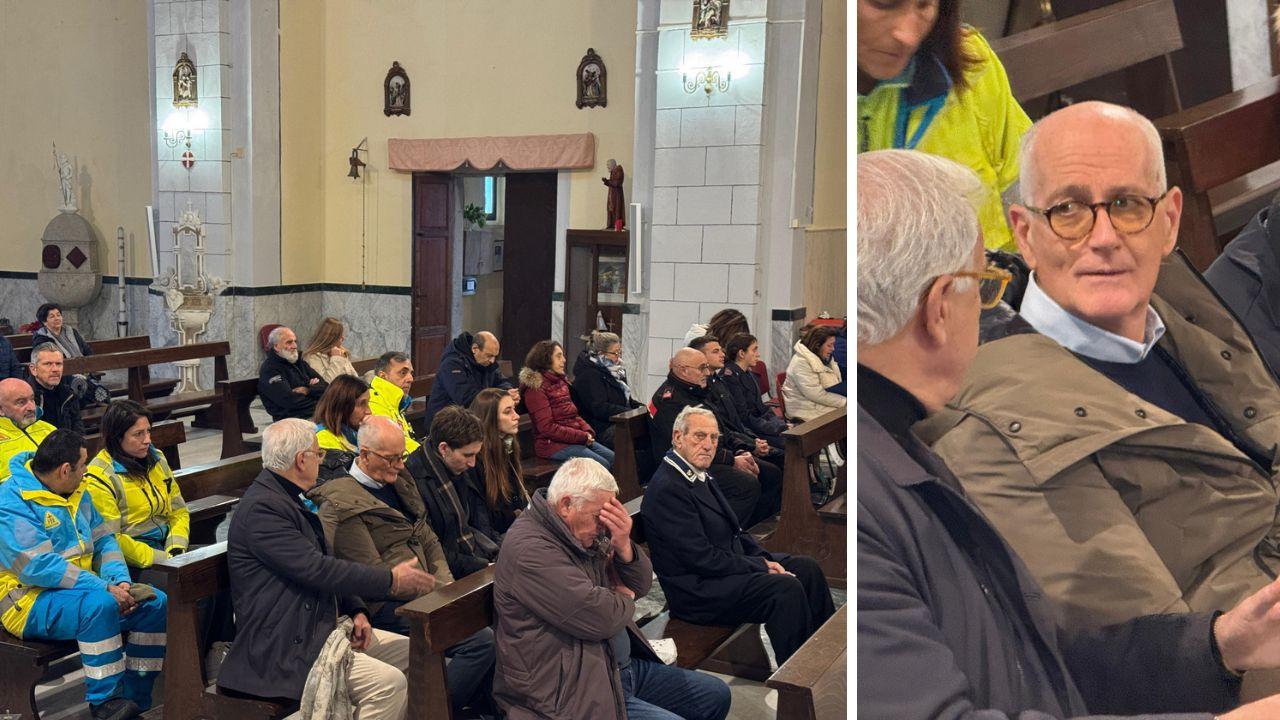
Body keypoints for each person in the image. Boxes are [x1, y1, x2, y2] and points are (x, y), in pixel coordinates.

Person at [856, 146, 1280, 720]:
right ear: (939, 308)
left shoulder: (899, 442)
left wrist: (1220, 645)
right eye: (983, 288)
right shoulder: (898, 476)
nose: (1105, 239)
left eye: (1130, 206)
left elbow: (1036, 659)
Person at [916, 100, 1280, 630]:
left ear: (1170, 221)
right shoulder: (996, 433)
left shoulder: (1186, 315)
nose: (1104, 237)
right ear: (1023, 233)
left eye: (1129, 204)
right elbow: (1160, 659)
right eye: (1068, 210)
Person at [217, 418, 435, 718]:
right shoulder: (262, 509)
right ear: (300, 460)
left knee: (416, 654)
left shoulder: (287, 497)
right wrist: (391, 580)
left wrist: (357, 609)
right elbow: (316, 569)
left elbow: (324, 564)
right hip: (283, 644)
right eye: (318, 454)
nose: (322, 460)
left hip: (319, 625)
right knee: (388, 685)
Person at [493, 458, 732, 720]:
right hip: (568, 690)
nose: (604, 527)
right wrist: (623, 597)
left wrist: (624, 547)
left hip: (613, 668)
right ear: (566, 505)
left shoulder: (578, 531)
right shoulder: (531, 551)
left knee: (715, 694)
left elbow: (640, 585)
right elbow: (600, 618)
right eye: (599, 516)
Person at [311, 416, 496, 716]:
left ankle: (476, 706)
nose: (400, 465)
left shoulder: (400, 481)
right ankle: (433, 712)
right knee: (480, 643)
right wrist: (435, 596)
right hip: (386, 606)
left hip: (428, 592)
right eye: (391, 458)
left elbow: (428, 537)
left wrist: (445, 587)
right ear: (365, 454)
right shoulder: (341, 504)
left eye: (402, 457)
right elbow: (374, 574)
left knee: (488, 613)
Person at [0, 429, 168, 720]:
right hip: (27, 601)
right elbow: (36, 567)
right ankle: (106, 704)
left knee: (154, 601)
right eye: (83, 464)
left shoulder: (77, 490)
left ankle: (136, 696)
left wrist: (119, 580)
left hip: (84, 591)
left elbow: (105, 540)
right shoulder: (11, 501)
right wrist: (102, 588)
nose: (87, 470)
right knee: (99, 607)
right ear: (65, 470)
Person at [645, 406, 833, 665]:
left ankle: (826, 661)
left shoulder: (696, 470)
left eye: (713, 438)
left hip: (723, 570)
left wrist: (762, 558)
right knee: (783, 590)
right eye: (700, 436)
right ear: (678, 437)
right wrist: (759, 566)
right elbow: (700, 558)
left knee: (806, 568)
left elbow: (737, 531)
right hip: (697, 591)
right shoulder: (670, 488)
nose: (709, 445)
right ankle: (799, 680)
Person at [858, 0, 1030, 252]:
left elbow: (1033, 193)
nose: (907, 35)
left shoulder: (972, 63)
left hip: (995, 285)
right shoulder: (793, 105)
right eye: (884, 3)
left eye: (924, 5)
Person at [650, 348, 781, 529]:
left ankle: (753, 529)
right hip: (687, 464)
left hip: (712, 454)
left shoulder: (696, 390)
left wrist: (742, 449)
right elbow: (688, 449)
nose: (707, 373)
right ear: (683, 370)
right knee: (746, 485)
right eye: (702, 368)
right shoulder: (671, 400)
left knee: (771, 472)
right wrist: (732, 460)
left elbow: (722, 430)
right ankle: (724, 534)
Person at [84, 401, 189, 569]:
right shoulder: (99, 477)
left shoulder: (157, 459)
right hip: (132, 560)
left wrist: (176, 546)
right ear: (117, 437)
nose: (147, 440)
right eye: (138, 434)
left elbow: (178, 510)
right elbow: (111, 537)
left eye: (148, 431)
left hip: (168, 544)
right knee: (190, 580)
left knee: (220, 567)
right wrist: (162, 558)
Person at [405, 406, 499, 578]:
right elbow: (433, 549)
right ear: (443, 448)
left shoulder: (460, 466)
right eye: (467, 455)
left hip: (478, 554)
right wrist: (483, 566)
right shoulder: (414, 481)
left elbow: (480, 520)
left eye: (475, 455)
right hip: (449, 571)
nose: (472, 463)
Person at [520, 340, 614, 469]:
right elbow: (547, 427)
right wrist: (581, 436)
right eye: (558, 356)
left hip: (571, 439)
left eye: (563, 355)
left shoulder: (560, 382)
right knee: (601, 465)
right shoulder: (535, 389)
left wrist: (587, 431)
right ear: (545, 360)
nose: (564, 360)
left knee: (613, 458)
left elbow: (573, 414)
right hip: (551, 445)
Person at [690, 335, 784, 460]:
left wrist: (780, 426)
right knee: (784, 454)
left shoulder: (722, 380)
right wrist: (751, 443)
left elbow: (756, 410)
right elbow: (735, 421)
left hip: (744, 435)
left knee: (790, 446)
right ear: (741, 353)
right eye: (716, 351)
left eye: (721, 350)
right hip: (735, 441)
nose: (722, 354)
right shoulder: (724, 379)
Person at [469, 388, 530, 539]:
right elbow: (485, 518)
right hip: (496, 536)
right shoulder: (476, 460)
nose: (516, 416)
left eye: (514, 410)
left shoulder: (507, 445)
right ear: (490, 418)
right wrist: (517, 517)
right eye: (507, 412)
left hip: (514, 526)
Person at [425, 330, 517, 429]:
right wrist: (501, 397)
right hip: (447, 423)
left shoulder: (486, 361)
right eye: (489, 355)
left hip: (473, 418)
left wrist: (508, 391)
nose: (492, 361)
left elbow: (501, 381)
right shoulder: (452, 364)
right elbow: (466, 398)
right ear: (475, 349)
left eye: (495, 356)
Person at [571, 331, 643, 448]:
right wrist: (629, 412)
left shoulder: (616, 371)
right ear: (601, 354)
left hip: (617, 421)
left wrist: (639, 407)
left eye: (619, 352)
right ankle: (625, 466)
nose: (618, 357)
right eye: (615, 353)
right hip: (598, 427)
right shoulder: (589, 374)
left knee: (647, 426)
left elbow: (625, 399)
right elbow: (599, 408)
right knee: (632, 436)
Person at [720, 333, 789, 445]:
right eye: (754, 350)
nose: (758, 355)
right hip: (748, 431)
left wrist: (780, 425)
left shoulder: (748, 373)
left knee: (796, 440)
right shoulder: (730, 377)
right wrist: (778, 428)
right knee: (791, 443)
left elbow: (761, 408)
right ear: (742, 353)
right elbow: (744, 417)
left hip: (759, 425)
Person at [258, 326, 329, 422]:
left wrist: (308, 390)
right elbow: (290, 401)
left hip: (315, 413)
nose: (295, 346)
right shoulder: (270, 369)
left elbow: (325, 387)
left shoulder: (298, 362)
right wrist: (320, 402)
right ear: (276, 346)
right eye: (289, 342)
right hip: (292, 420)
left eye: (295, 341)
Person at [313, 374, 372, 482]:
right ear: (341, 406)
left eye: (368, 403)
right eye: (361, 404)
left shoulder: (356, 433)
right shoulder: (322, 440)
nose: (369, 411)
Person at [781, 324, 847, 420]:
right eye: (829, 345)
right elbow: (816, 394)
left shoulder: (825, 357)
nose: (833, 349)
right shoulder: (800, 363)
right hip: (806, 409)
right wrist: (845, 402)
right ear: (817, 345)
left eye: (833, 344)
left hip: (820, 403)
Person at [0, 377, 56, 481]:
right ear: (1, 409)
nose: (31, 407)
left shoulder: (48, 429)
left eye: (32, 399)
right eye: (21, 402)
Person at [368, 351, 421, 453]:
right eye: (403, 373)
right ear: (383, 376)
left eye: (411, 373)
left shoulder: (396, 401)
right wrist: (422, 453)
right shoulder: (373, 402)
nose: (410, 379)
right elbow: (391, 444)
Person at [26, 343, 83, 434]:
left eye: (58, 364)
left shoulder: (69, 394)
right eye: (48, 364)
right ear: (33, 369)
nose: (55, 369)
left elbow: (78, 429)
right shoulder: (25, 398)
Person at [302, 317, 359, 383]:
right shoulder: (312, 357)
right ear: (331, 338)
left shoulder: (342, 352)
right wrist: (336, 359)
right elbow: (326, 384)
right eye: (340, 336)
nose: (343, 338)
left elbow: (355, 379)